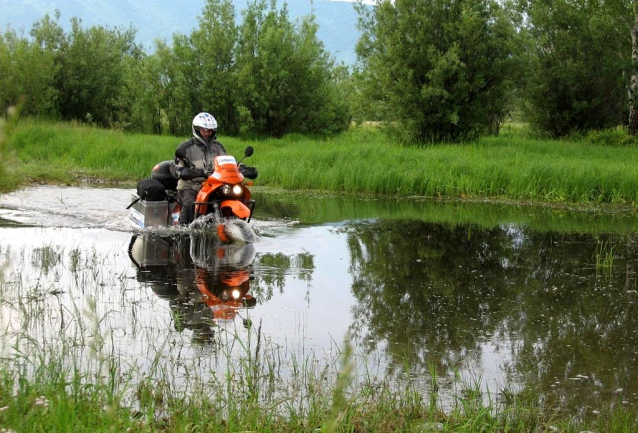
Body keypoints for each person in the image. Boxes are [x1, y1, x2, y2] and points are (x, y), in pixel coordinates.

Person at [173, 112, 227, 225]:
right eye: (204, 130)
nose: (207, 133)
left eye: (209, 130)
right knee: (189, 203)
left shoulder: (218, 147)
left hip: (213, 186)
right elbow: (176, 168)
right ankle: (183, 230)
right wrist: (184, 172)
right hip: (191, 185)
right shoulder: (185, 147)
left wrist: (240, 168)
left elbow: (226, 161)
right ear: (197, 130)